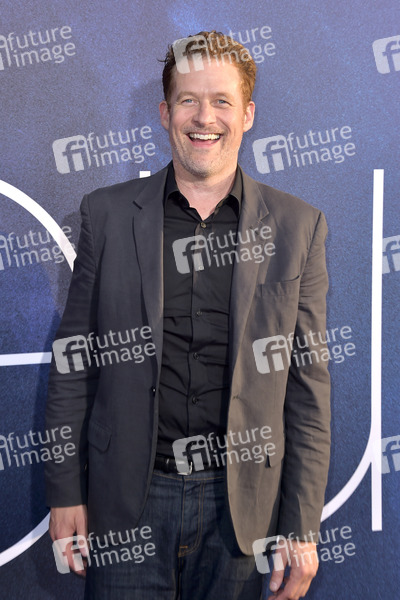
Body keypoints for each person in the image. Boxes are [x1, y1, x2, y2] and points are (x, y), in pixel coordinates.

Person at [46, 30, 331, 600]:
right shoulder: (106, 215)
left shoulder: (299, 227)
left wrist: (301, 526)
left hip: (242, 511)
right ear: (165, 113)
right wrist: (64, 491)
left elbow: (308, 391)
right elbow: (74, 366)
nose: (205, 118)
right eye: (188, 100)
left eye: (222, 101)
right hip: (128, 503)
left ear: (247, 115)